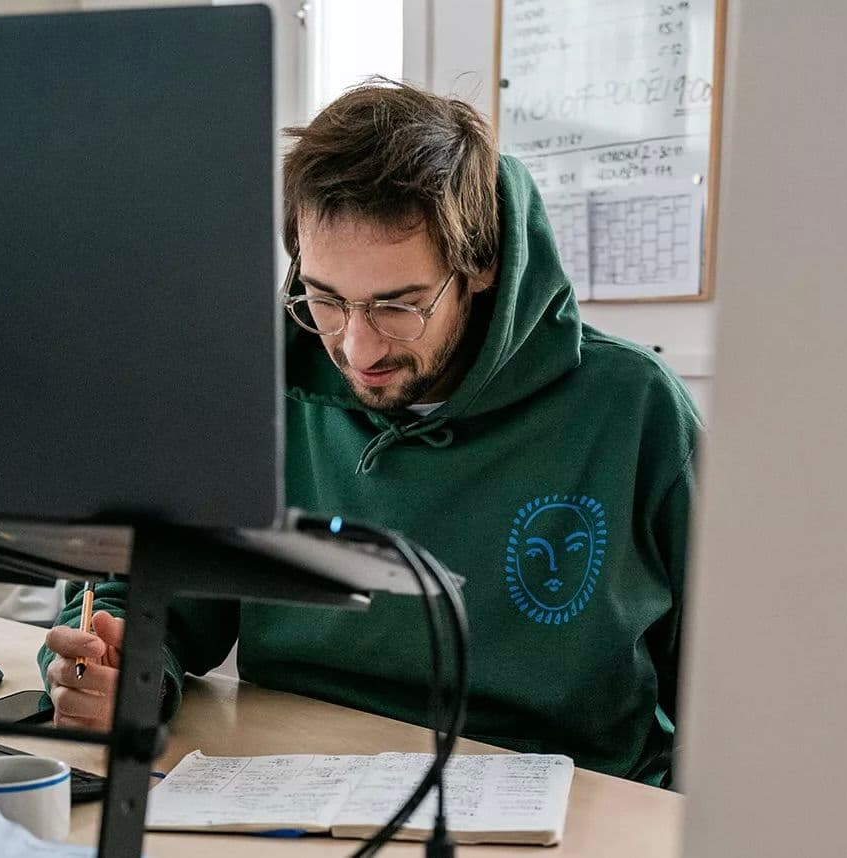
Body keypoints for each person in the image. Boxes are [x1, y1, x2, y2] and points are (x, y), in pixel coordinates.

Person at [38, 80, 700, 787]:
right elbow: (148, 604)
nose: (357, 349)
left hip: (564, 798)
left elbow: (747, 680)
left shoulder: (633, 410)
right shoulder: (253, 394)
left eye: (397, 304)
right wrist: (118, 671)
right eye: (323, 299)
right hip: (283, 783)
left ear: (480, 264)